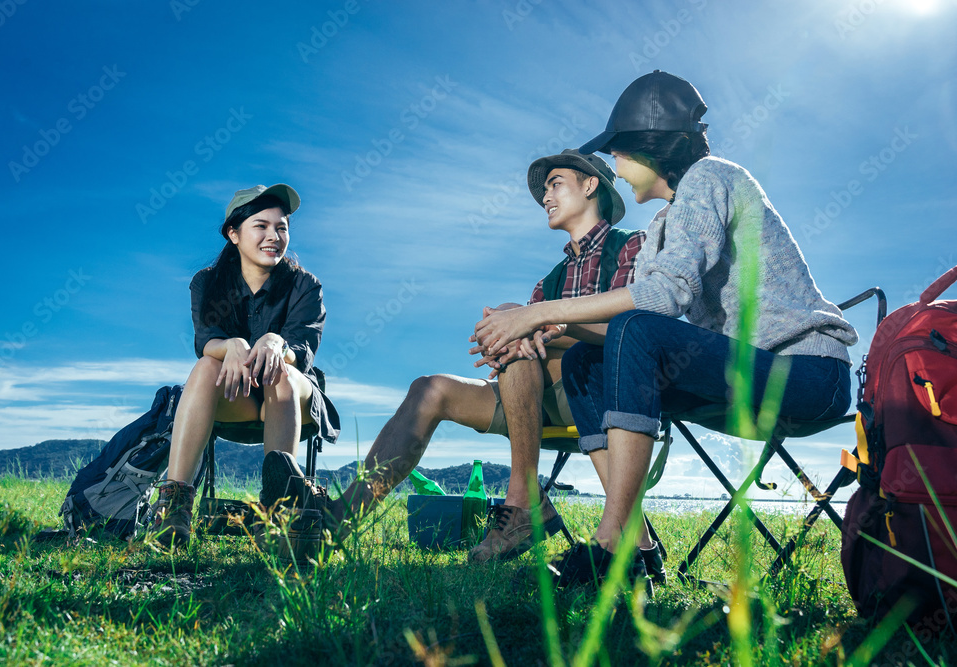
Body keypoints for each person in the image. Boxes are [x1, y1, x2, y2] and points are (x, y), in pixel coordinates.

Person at [472, 71, 858, 586]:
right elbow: (642, 320)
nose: (614, 166)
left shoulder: (711, 177)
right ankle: (636, 545)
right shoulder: (661, 226)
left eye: (618, 153)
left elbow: (662, 299)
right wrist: (550, 328)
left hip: (805, 375)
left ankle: (610, 545)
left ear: (648, 146)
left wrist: (540, 312)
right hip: (737, 378)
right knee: (589, 359)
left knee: (636, 327)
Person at [325, 150, 646, 565]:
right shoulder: (550, 279)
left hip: (594, 389)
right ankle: (341, 516)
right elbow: (528, 337)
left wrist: (536, 325)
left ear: (590, 185)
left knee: (516, 324)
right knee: (429, 389)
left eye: (556, 184)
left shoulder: (631, 248)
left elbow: (633, 333)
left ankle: (525, 500)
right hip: (531, 395)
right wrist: (508, 335)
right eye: (544, 189)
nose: (545, 197)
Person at [150, 184, 340, 548]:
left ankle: (279, 511)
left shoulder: (305, 285)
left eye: (281, 227)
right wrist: (232, 345)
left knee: (281, 373)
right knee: (207, 366)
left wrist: (274, 341)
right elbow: (205, 340)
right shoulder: (207, 282)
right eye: (261, 226)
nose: (274, 236)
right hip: (236, 400)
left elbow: (303, 349)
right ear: (233, 234)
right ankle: (173, 509)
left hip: (289, 400)